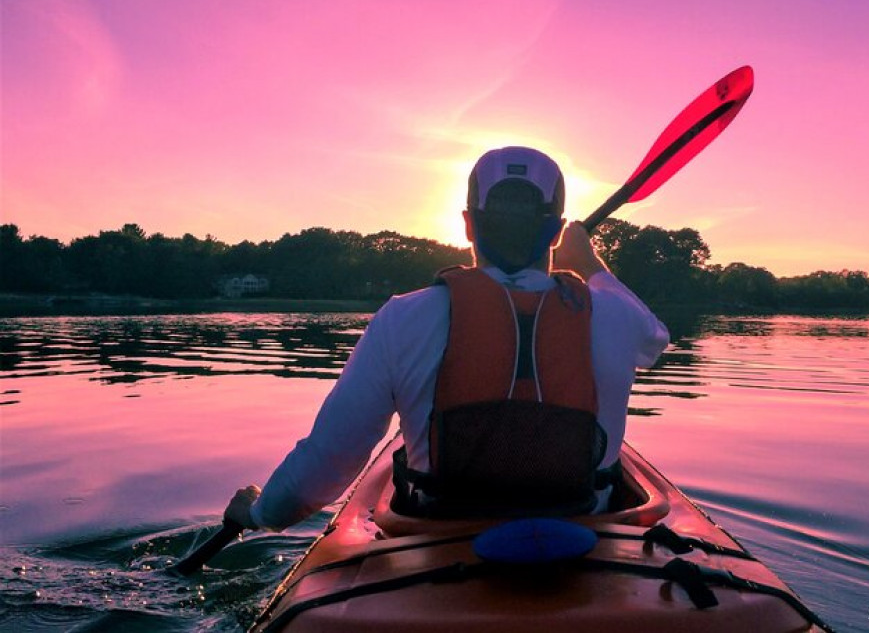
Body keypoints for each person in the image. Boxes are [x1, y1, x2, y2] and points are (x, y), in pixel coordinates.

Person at [224, 146, 669, 530]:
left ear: (468, 225)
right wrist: (588, 262)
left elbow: (327, 463)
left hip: (439, 537)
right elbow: (655, 339)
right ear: (555, 231)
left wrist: (259, 513)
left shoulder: (403, 318)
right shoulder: (615, 316)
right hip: (588, 536)